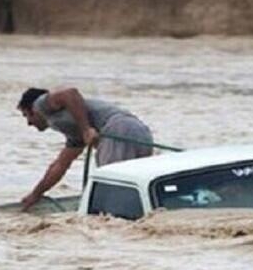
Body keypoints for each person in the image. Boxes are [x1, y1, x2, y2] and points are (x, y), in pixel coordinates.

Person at [16, 87, 154, 211]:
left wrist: (86, 129)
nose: (28, 123)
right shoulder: (74, 133)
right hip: (140, 132)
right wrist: (36, 194)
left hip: (118, 129)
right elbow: (59, 166)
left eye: (26, 115)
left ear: (32, 109)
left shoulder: (40, 104)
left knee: (110, 185)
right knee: (131, 186)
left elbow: (70, 93)